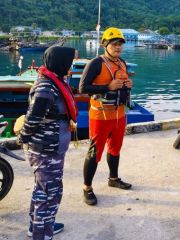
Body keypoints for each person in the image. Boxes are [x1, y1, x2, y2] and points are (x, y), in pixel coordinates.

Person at [18, 46, 77, 239]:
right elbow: (32, 119)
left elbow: (52, 113)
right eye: (69, 63)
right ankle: (41, 233)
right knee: (49, 192)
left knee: (43, 188)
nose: (71, 66)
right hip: (45, 149)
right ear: (60, 63)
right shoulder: (45, 88)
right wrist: (23, 139)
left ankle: (37, 225)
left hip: (52, 146)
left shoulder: (55, 81)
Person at [79, 27, 133, 206]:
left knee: (115, 148)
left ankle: (113, 178)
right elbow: (83, 88)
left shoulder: (122, 63)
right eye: (114, 44)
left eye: (120, 44)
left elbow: (121, 87)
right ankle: (87, 188)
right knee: (95, 152)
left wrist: (127, 85)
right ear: (105, 45)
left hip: (119, 114)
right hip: (100, 116)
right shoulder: (95, 63)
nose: (118, 47)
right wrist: (107, 87)